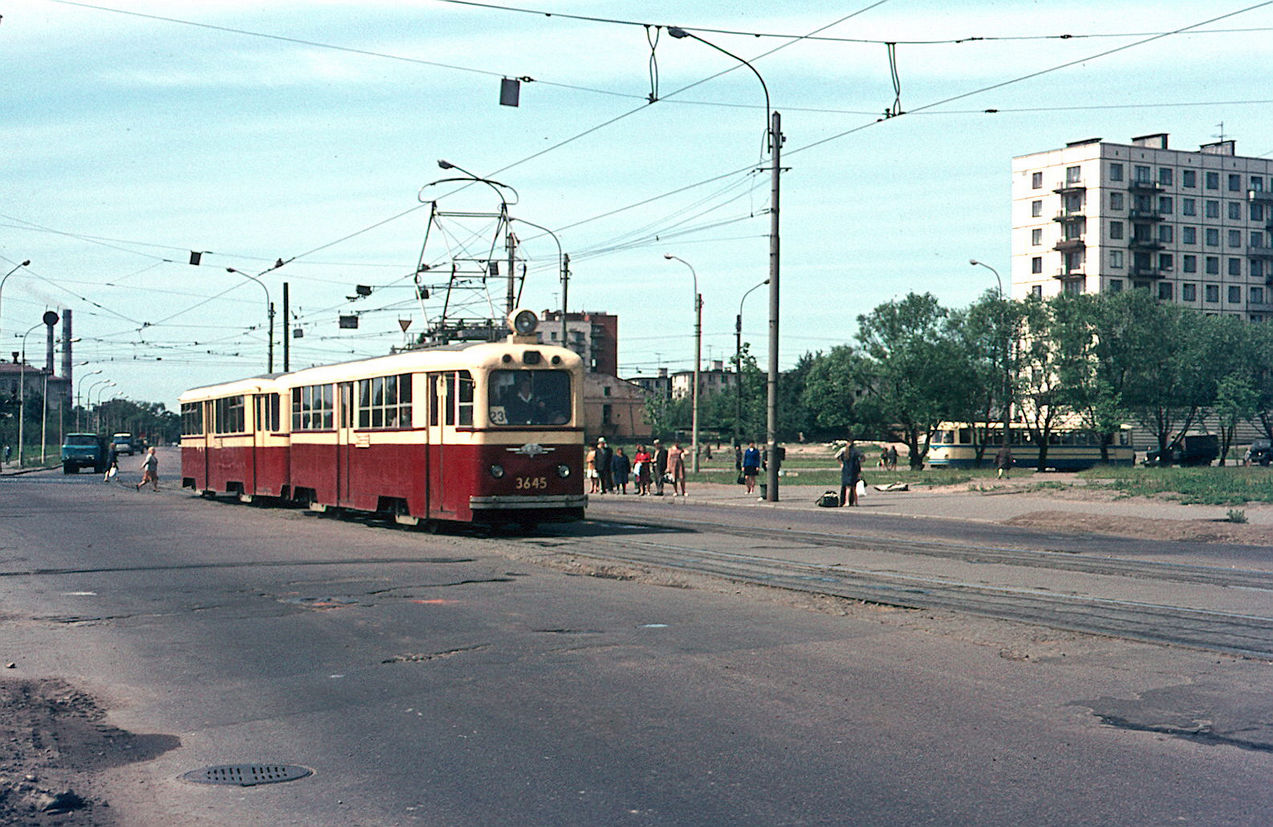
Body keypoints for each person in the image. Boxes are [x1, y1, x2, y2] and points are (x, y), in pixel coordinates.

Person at [836, 439, 863, 507]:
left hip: (846, 471)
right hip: (854, 470)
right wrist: (859, 471)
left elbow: (837, 457)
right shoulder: (856, 452)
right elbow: (859, 461)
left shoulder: (845, 452)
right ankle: (856, 502)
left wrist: (841, 464)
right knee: (854, 487)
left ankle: (847, 501)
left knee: (848, 487)